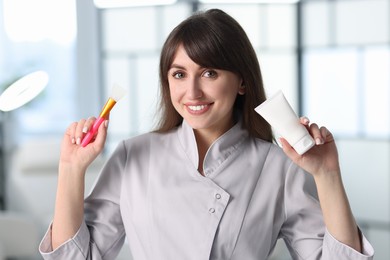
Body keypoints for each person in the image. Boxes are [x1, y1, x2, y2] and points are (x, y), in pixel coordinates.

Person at [39, 8, 374, 260]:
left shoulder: (277, 167)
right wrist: (71, 169)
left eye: (209, 72)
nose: (192, 91)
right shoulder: (132, 157)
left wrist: (328, 175)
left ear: (242, 81)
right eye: (179, 74)